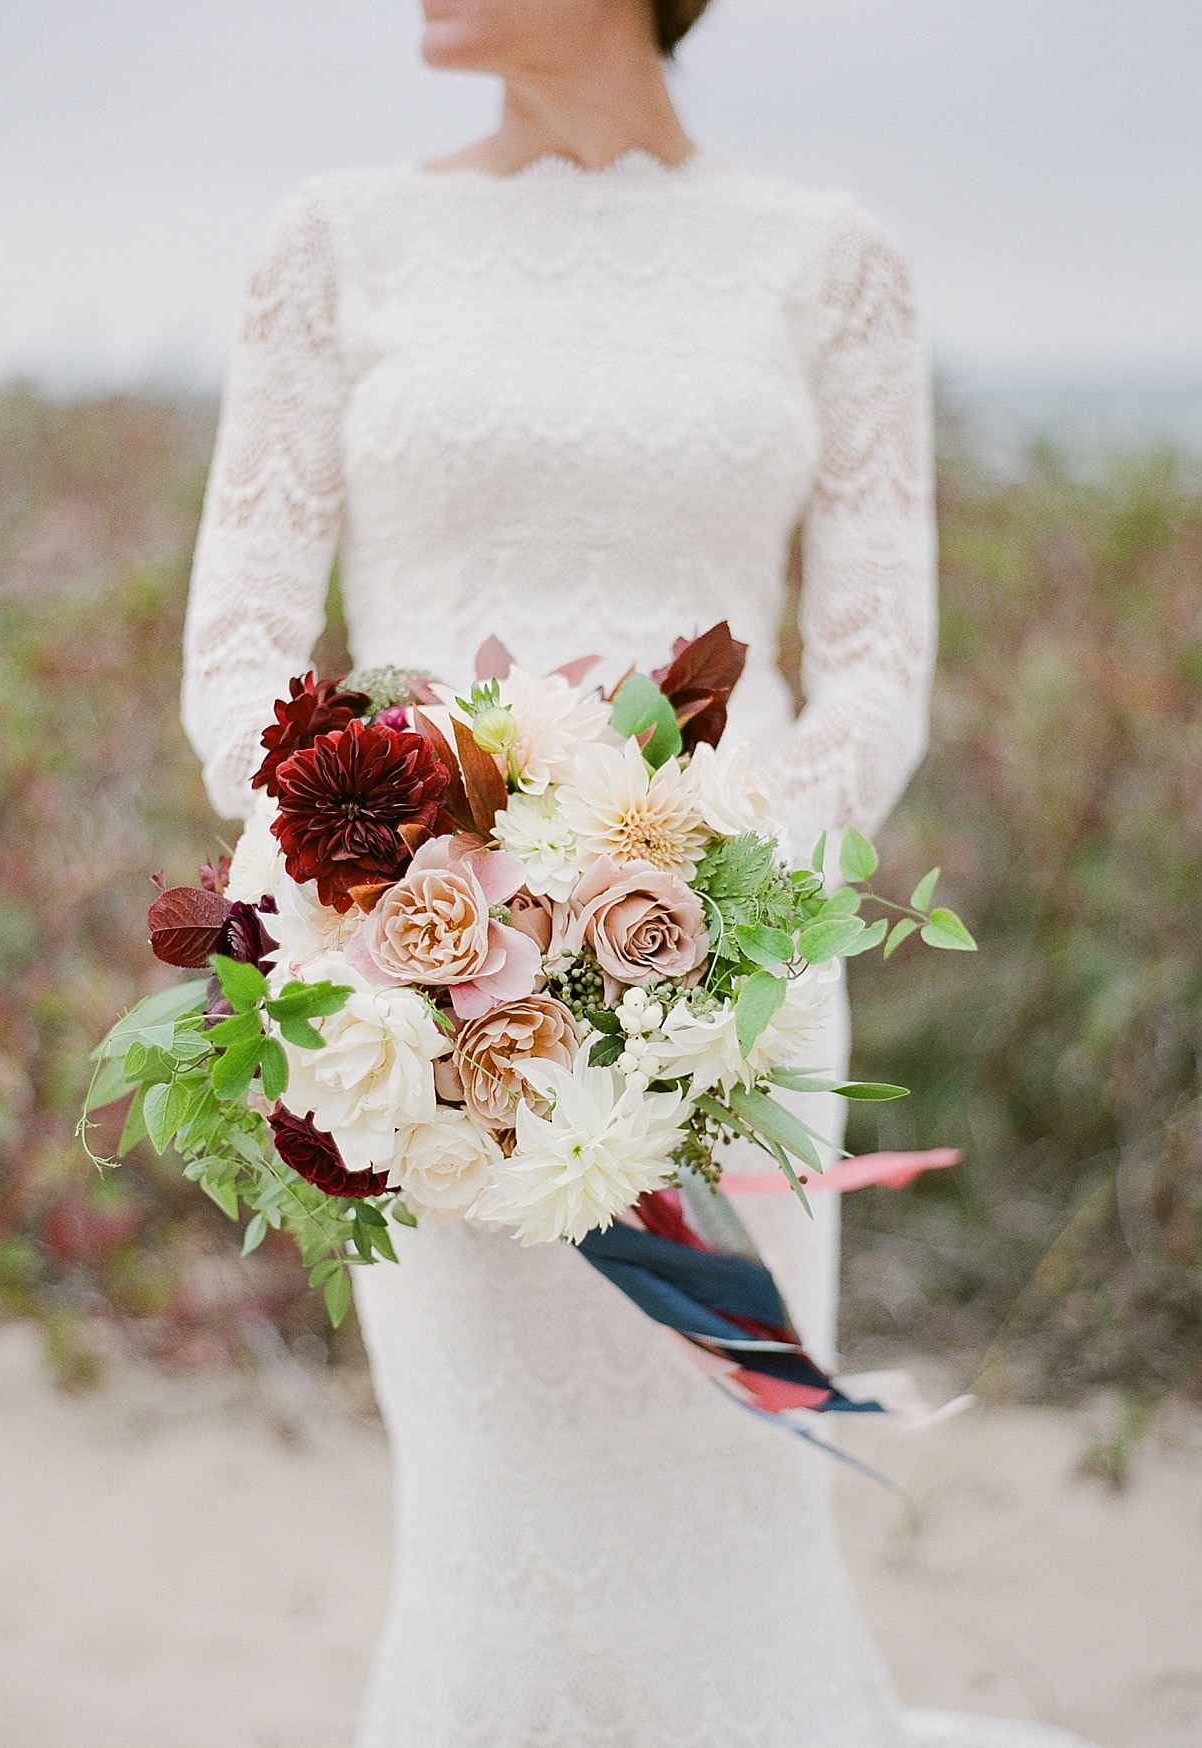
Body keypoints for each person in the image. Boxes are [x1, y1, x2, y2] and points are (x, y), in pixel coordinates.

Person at [182, 4, 1098, 1744]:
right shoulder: (334, 242)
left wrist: (726, 916)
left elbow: (877, 657)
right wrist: (365, 882)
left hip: (727, 986)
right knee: (486, 1528)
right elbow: (238, 640)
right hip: (412, 1005)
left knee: (730, 1509)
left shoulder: (833, 263)